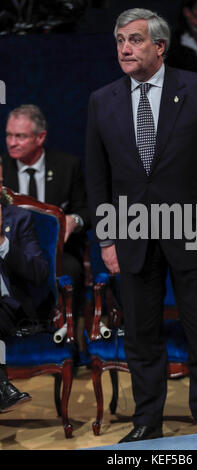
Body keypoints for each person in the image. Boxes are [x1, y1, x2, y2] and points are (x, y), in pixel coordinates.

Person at [86, 8, 197, 442]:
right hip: (131, 232)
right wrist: (107, 237)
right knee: (140, 334)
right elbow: (97, 179)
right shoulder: (102, 100)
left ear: (159, 46)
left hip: (192, 228)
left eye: (134, 39)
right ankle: (146, 421)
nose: (124, 48)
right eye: (119, 40)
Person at [3, 105, 90, 323]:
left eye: (20, 136)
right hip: (12, 248)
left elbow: (87, 210)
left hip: (60, 251)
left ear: (40, 137)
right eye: (9, 135)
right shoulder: (1, 167)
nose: (12, 142)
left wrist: (73, 220)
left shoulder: (67, 166)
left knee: (71, 270)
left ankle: (70, 331)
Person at [0, 158, 50, 412]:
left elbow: (40, 273)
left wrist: (2, 242)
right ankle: (2, 387)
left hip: (11, 307)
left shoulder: (18, 219)